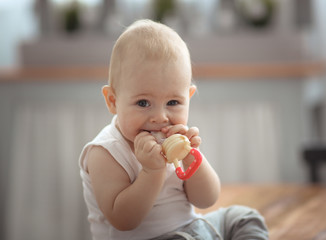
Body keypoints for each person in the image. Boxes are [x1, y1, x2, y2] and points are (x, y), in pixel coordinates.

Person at [79, 19, 268, 240]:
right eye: (143, 103)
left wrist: (192, 159)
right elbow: (123, 220)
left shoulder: (177, 139)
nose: (160, 117)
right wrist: (152, 171)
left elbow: (207, 199)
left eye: (172, 103)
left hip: (193, 228)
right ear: (113, 101)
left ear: (188, 97)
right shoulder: (105, 152)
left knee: (242, 217)